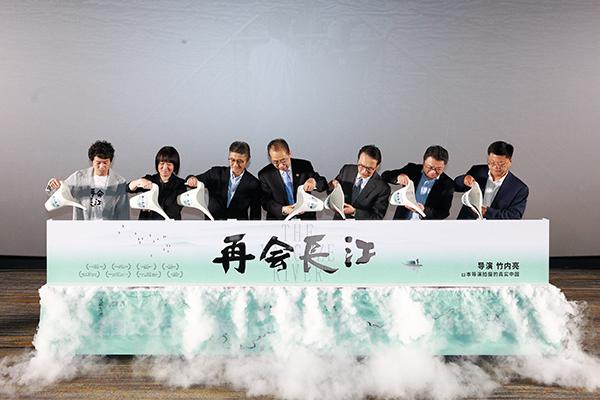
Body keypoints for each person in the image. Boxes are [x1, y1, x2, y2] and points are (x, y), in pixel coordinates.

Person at [46, 140, 129, 220]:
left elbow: (123, 213)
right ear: (91, 161)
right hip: (83, 227)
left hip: (108, 228)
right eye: (98, 163)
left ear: (111, 161)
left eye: (105, 162)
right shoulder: (79, 177)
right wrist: (54, 185)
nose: (101, 167)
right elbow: (57, 194)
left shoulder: (120, 182)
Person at [186, 141, 262, 220]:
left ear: (248, 159)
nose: (235, 165)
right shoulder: (215, 173)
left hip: (238, 225)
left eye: (240, 161)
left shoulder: (254, 183)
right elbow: (195, 180)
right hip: (212, 223)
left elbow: (255, 214)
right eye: (232, 160)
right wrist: (191, 179)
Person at [454, 141, 528, 219]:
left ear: (510, 161)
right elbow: (456, 186)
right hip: (467, 223)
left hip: (495, 226)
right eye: (492, 163)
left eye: (501, 164)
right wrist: (464, 179)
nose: (496, 167)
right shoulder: (478, 171)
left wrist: (487, 212)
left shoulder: (519, 188)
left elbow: (514, 216)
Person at [258, 138, 328, 220]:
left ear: (289, 154)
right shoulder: (265, 174)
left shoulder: (304, 166)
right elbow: (265, 201)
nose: (281, 165)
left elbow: (323, 184)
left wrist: (314, 182)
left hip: (305, 219)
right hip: (279, 220)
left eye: (283, 160)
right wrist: (283, 209)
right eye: (275, 162)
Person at [381, 145, 454, 220]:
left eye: (439, 169)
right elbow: (385, 175)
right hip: (403, 221)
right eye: (429, 167)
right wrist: (398, 176)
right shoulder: (412, 170)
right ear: (424, 162)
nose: (433, 171)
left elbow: (444, 212)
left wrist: (424, 210)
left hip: (426, 224)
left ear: (444, 166)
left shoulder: (448, 184)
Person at [328, 144, 390, 220]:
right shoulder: (347, 170)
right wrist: (331, 186)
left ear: (377, 166)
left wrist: (354, 212)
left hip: (363, 226)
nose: (364, 171)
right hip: (339, 222)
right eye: (361, 166)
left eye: (370, 169)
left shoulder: (382, 188)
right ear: (358, 160)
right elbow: (331, 192)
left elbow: (377, 217)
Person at [127, 146, 186, 220]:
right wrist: (140, 181)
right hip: (147, 223)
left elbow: (175, 210)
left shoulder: (180, 184)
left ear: (175, 166)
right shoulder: (150, 179)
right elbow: (128, 188)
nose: (165, 168)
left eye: (169, 164)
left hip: (170, 224)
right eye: (162, 164)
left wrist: (152, 205)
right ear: (157, 164)